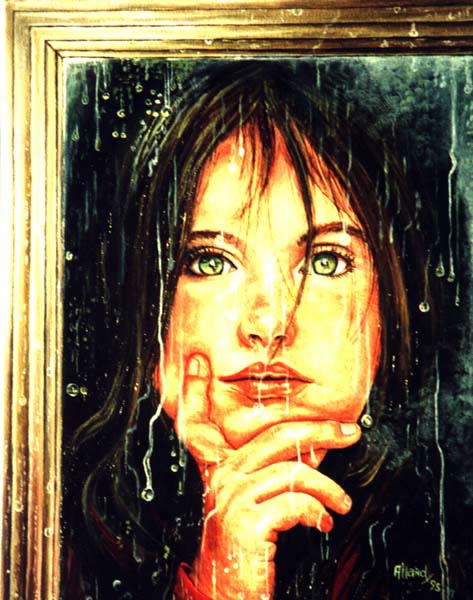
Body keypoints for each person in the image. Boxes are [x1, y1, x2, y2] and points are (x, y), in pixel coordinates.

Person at [63, 60, 449, 599]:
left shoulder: (446, 546)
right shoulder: (47, 540)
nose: (267, 325)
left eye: (327, 261)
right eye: (210, 261)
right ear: (146, 304)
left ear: (394, 299)